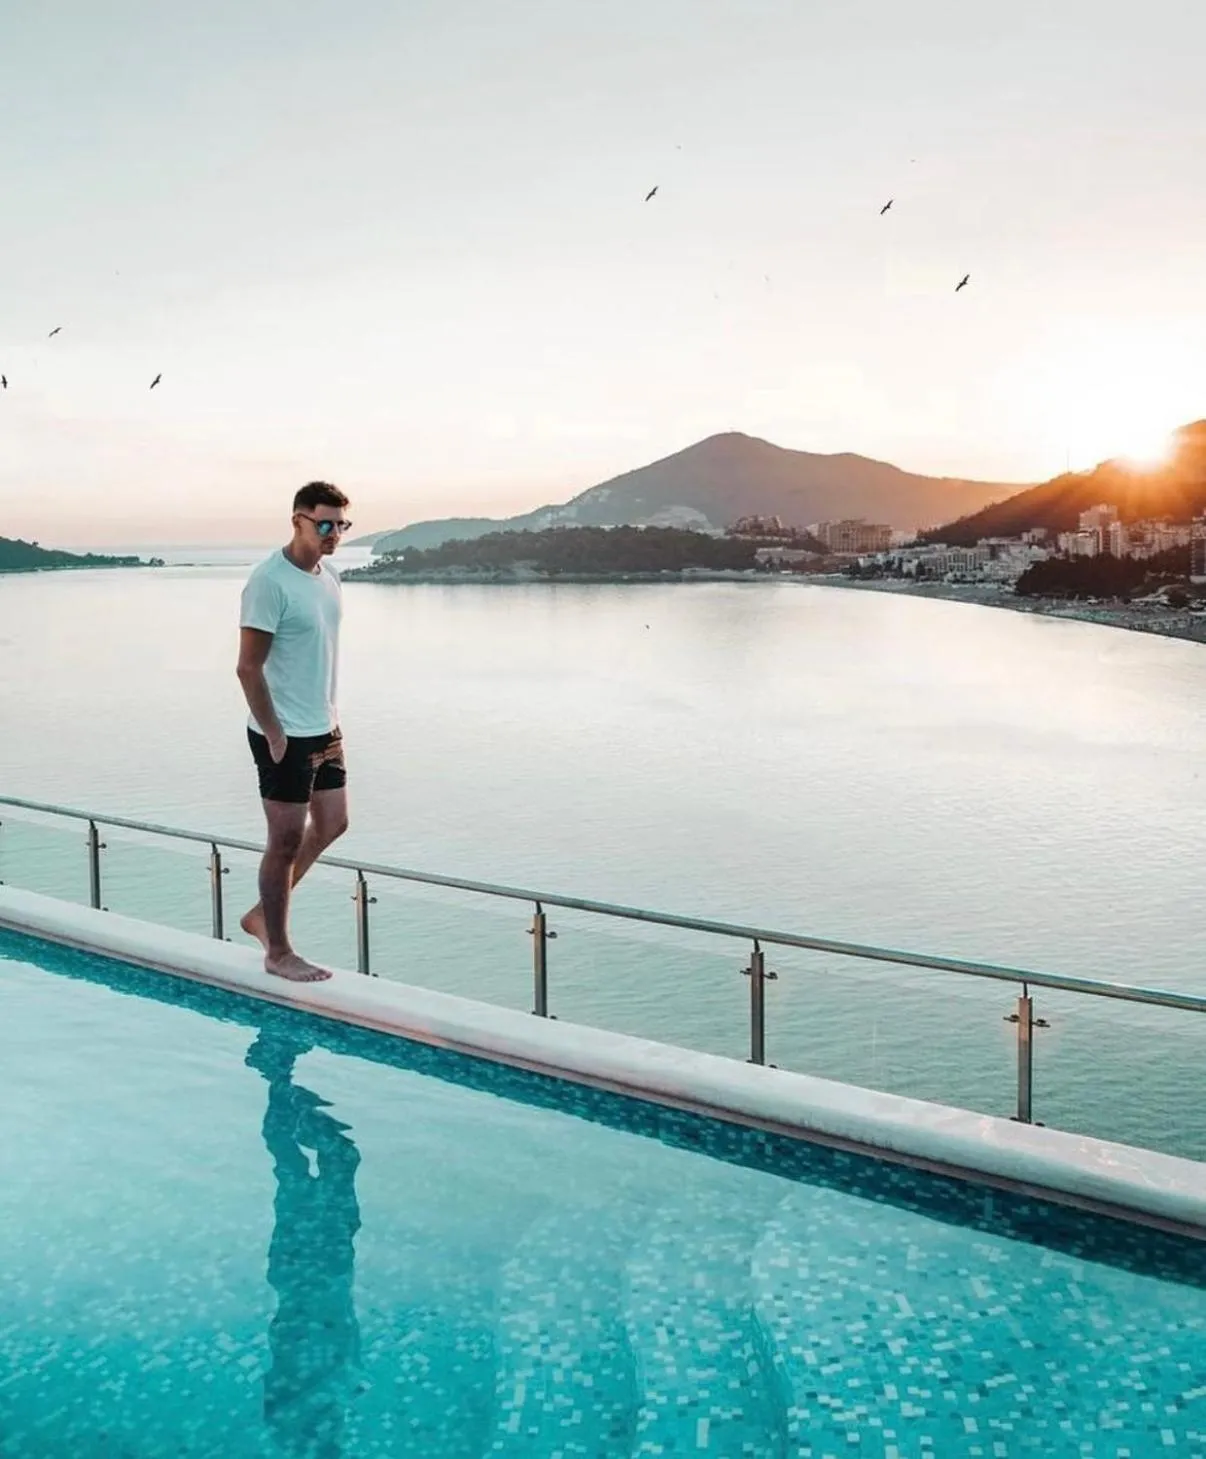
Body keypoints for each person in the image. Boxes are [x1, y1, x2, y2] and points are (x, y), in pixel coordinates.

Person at [236, 482, 353, 982]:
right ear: (297, 521)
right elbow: (247, 668)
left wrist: (326, 716)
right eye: (324, 524)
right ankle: (277, 950)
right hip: (284, 734)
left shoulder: (330, 577)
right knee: (283, 841)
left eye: (341, 526)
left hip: (324, 726)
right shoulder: (269, 582)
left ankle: (263, 913)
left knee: (332, 824)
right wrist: (274, 733)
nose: (333, 535)